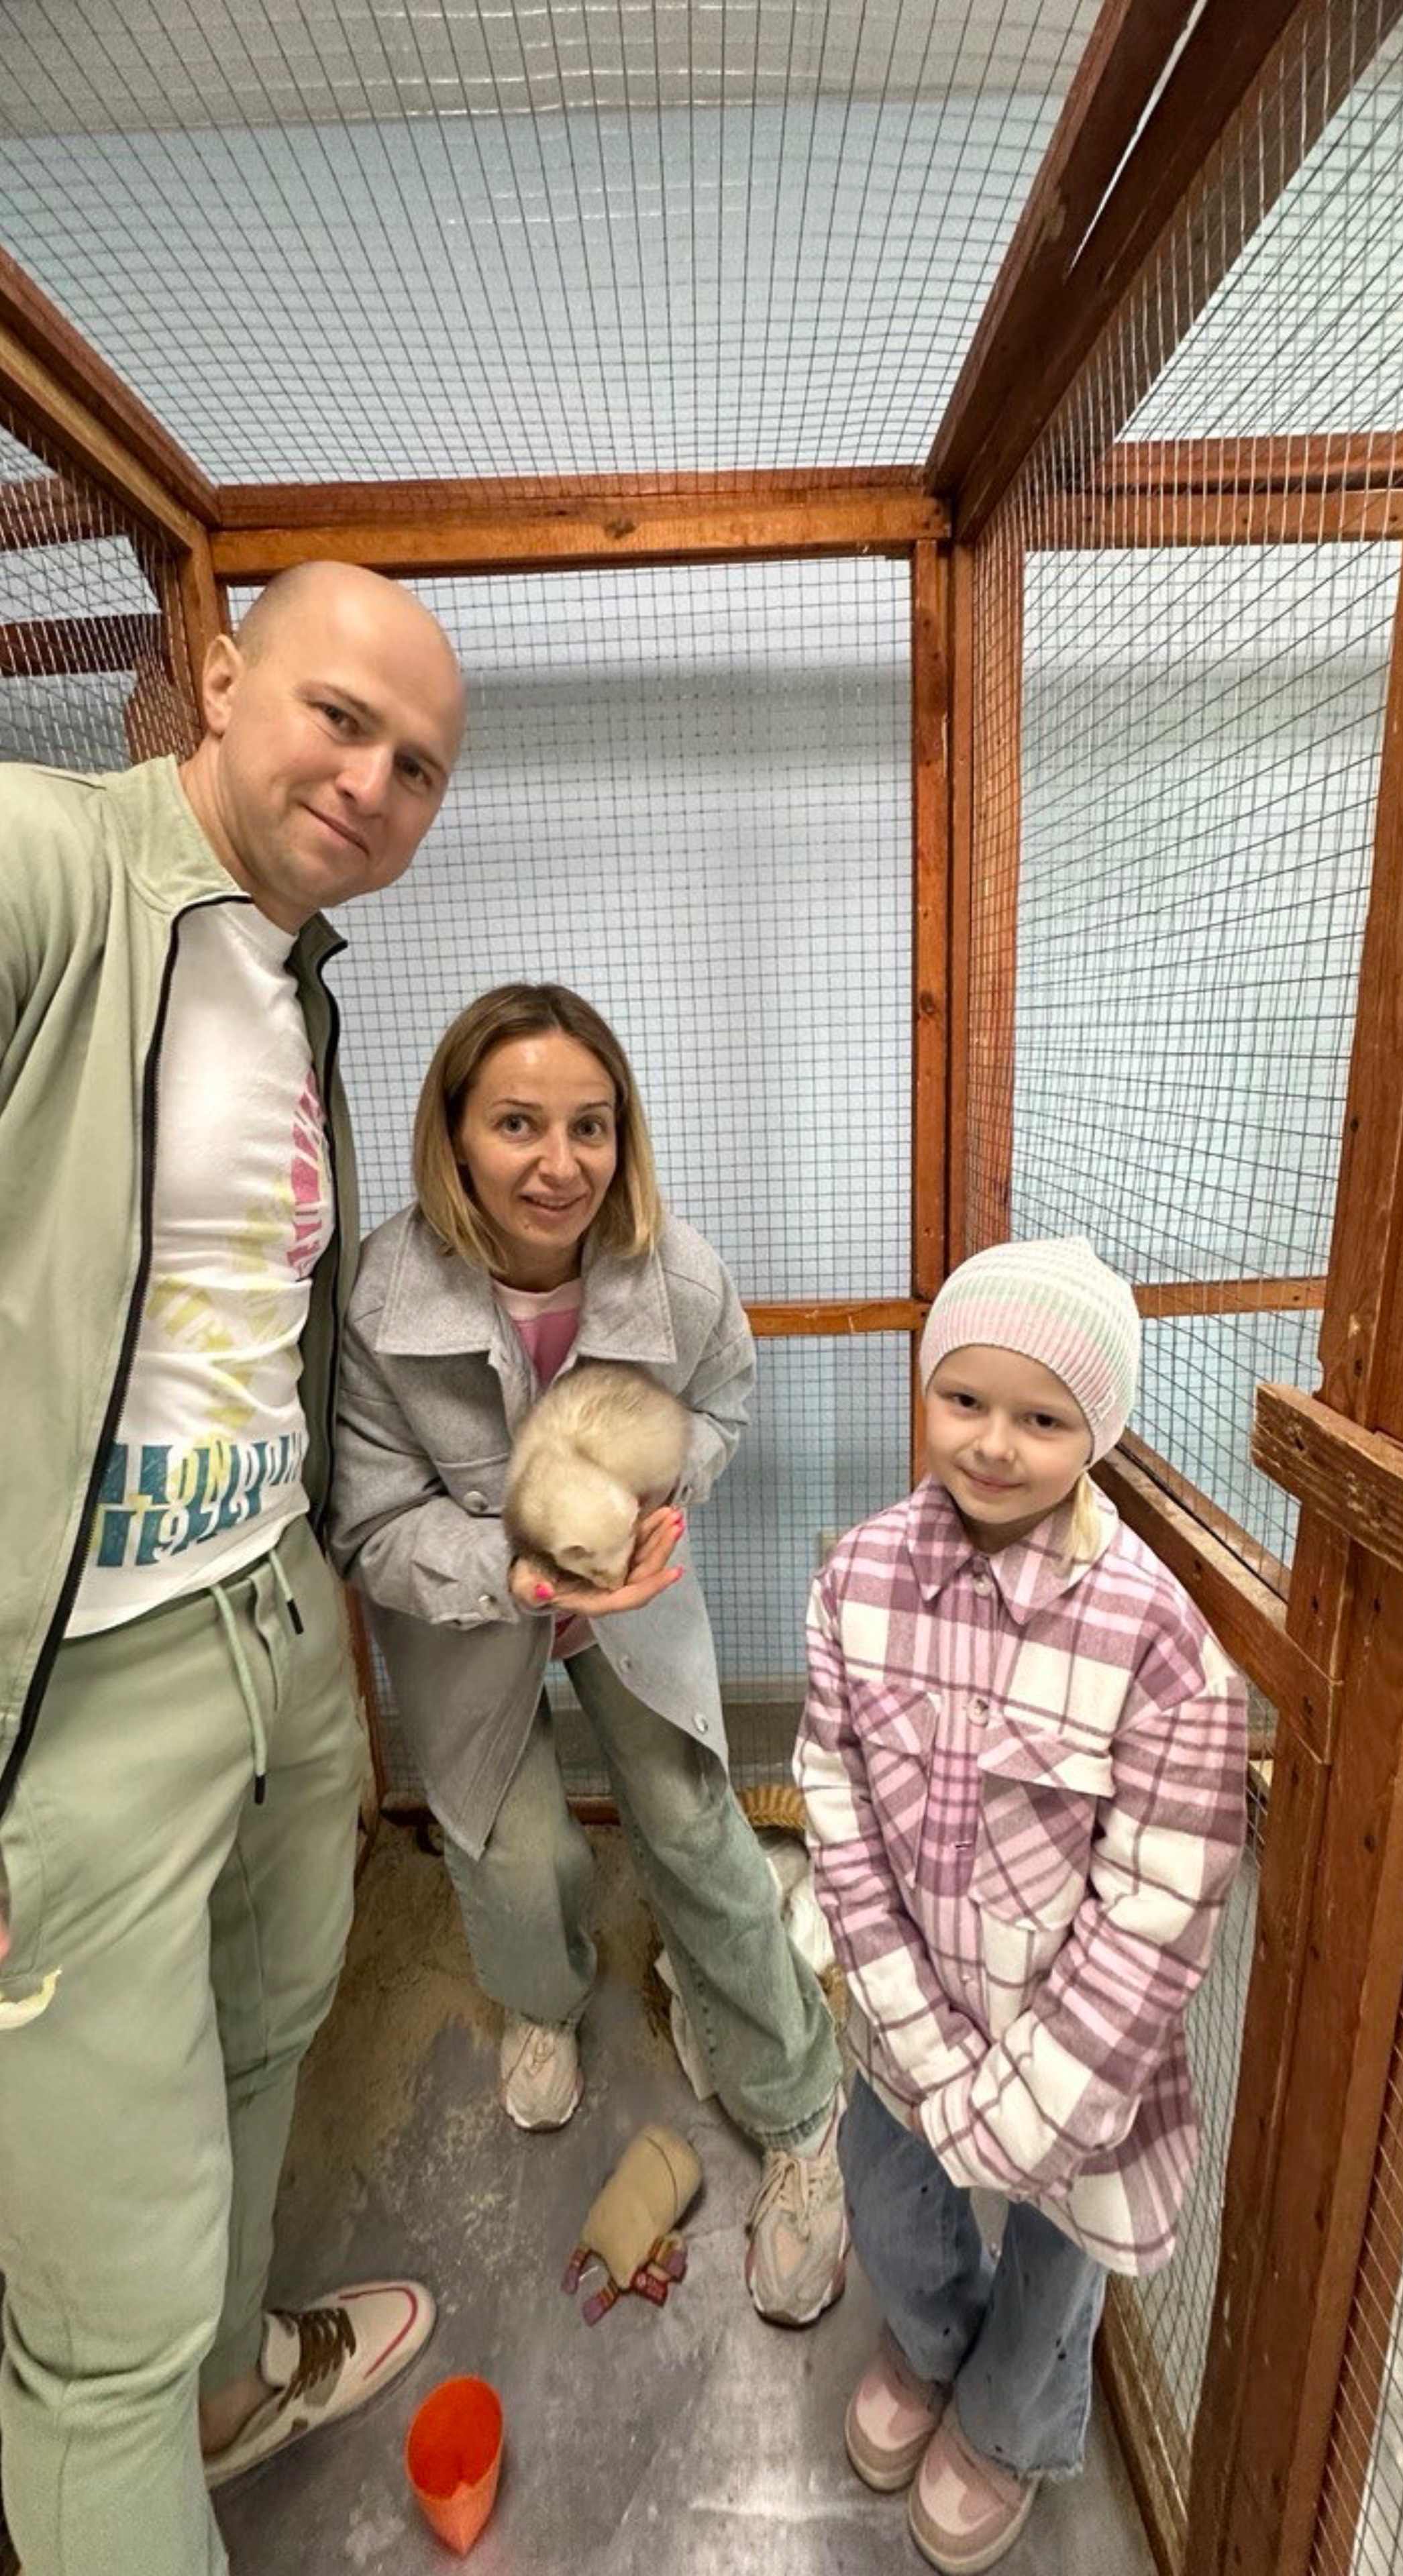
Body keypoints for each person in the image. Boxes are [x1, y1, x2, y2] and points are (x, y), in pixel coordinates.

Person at [0, 561, 468, 2576]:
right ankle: (139, 2420)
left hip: (271, 1611)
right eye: (337, 718)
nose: (370, 780)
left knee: (273, 2013)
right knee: (90, 2334)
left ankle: (227, 2390)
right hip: (71, 1682)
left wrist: (335, 1590)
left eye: (416, 765)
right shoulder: (48, 867)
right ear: (215, 680)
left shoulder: (298, 984)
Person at [329, 980, 849, 2326]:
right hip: (470, 1611)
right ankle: (541, 1998)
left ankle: (797, 2103)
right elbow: (370, 1521)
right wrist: (505, 1575)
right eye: (516, 1123)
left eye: (590, 1126)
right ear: (453, 1134)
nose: (559, 1165)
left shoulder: (674, 1272)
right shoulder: (381, 1296)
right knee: (507, 1849)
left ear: (624, 1137)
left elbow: (723, 1397)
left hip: (635, 1594)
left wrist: (669, 1494)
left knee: (691, 1824)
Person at [796, 1238, 1247, 2573]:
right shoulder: (858, 1575)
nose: (993, 1444)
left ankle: (1007, 2427)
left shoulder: (1158, 1643)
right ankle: (932, 2345)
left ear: (1097, 1430)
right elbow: (831, 1795)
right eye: (964, 1400)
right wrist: (924, 2046)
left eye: (1042, 1419)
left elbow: (1159, 1904)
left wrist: (1032, 2102)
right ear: (926, 1392)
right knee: (889, 2206)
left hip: (1075, 2064)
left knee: (1058, 2266)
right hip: (904, 2024)